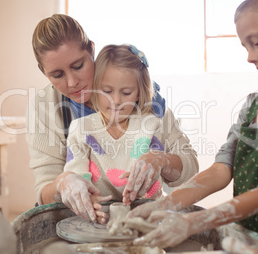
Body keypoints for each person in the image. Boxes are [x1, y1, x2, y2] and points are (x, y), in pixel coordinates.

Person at [126, 0, 258, 253]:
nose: (250, 56)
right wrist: (165, 204)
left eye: (257, 42)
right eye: (245, 46)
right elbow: (221, 170)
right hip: (247, 244)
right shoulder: (253, 105)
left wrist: (193, 222)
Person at [26, 14, 199, 223]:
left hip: (142, 217)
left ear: (91, 50)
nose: (72, 82)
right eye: (57, 75)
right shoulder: (45, 107)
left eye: (78, 65)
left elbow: (189, 166)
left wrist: (161, 161)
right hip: (84, 219)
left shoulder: (142, 96)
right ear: (44, 72)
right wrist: (63, 183)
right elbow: (44, 192)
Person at [63, 44, 196, 224]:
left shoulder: (153, 122)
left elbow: (191, 166)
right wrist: (86, 200)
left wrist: (161, 160)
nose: (116, 101)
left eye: (126, 92)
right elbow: (75, 175)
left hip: (150, 219)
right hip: (98, 221)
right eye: (107, 91)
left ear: (140, 92)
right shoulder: (81, 129)